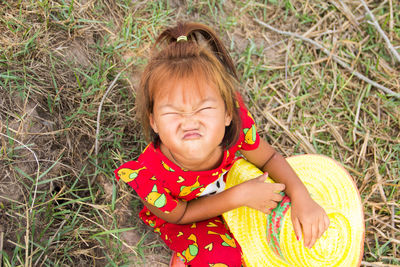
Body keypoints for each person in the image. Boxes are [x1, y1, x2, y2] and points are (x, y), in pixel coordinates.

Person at [114, 22, 329, 266]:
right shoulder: (150, 177)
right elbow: (181, 214)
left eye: (203, 108)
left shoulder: (236, 129)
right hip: (192, 217)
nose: (189, 122)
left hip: (241, 191)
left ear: (228, 112)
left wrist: (302, 197)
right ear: (153, 122)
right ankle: (188, 252)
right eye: (173, 112)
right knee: (226, 259)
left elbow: (268, 158)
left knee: (285, 237)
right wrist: (239, 196)